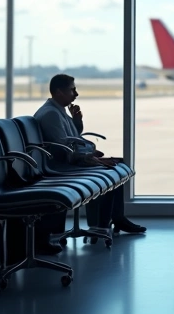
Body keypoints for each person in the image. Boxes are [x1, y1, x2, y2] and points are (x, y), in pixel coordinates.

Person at [36, 74, 145, 235]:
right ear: (59, 92)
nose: (76, 94)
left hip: (70, 158)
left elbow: (70, 137)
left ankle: (115, 218)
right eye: (72, 90)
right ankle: (100, 225)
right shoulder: (51, 114)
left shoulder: (58, 110)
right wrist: (91, 155)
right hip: (62, 164)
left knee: (118, 163)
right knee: (112, 167)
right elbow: (64, 147)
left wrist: (77, 121)